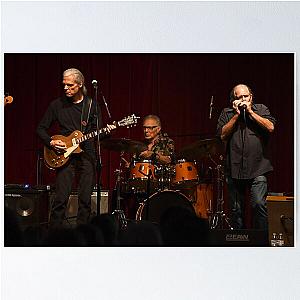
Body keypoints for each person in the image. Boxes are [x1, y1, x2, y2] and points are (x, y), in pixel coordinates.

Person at [37, 68, 115, 227]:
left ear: (80, 85)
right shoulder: (57, 105)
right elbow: (40, 129)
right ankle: (53, 235)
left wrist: (107, 131)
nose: (66, 88)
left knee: (85, 200)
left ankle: (82, 237)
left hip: (86, 154)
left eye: (70, 85)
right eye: (64, 85)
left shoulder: (92, 105)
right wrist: (51, 142)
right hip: (63, 155)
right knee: (60, 199)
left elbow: (97, 134)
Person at [216, 84, 276, 230]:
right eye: (239, 97)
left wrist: (250, 112)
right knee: (236, 210)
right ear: (233, 100)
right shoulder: (227, 113)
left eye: (246, 96)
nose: (243, 99)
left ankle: (260, 242)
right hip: (234, 168)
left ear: (251, 97)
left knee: (259, 204)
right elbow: (222, 135)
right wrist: (236, 115)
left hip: (258, 167)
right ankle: (240, 244)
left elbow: (270, 127)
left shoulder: (261, 109)